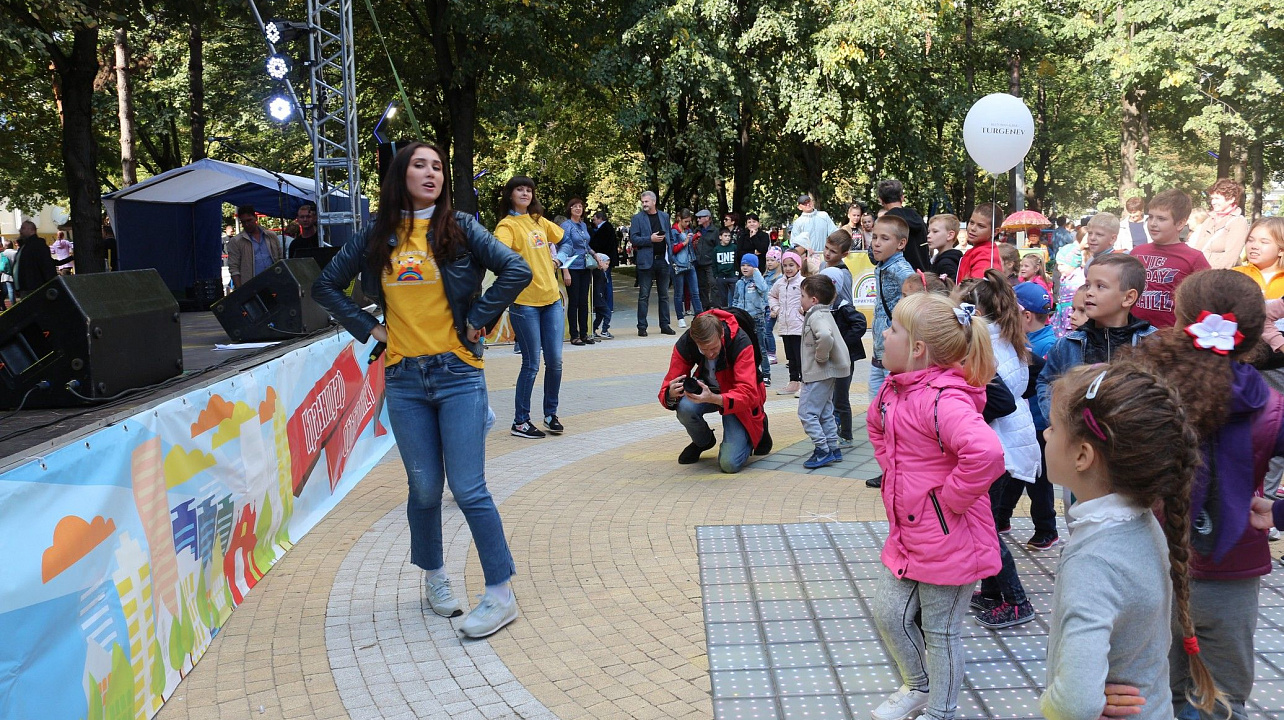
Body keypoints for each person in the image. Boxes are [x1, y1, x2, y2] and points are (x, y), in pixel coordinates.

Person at [311, 141, 531, 640]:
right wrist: (370, 330)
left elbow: (516, 269)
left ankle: (500, 595)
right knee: (425, 488)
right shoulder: (378, 234)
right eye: (419, 165)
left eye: (437, 166)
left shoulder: (462, 227)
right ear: (401, 175)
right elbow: (325, 286)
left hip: (458, 373)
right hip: (404, 378)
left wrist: (479, 317)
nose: (431, 173)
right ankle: (435, 577)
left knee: (468, 488)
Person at [1128, 270, 1277, 720]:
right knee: (1223, 700)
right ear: (1254, 334)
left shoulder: (1141, 392)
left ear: (1180, 321)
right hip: (1232, 571)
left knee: (1153, 695)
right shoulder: (1272, 407)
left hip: (1147, 560)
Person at [1041, 362, 1224, 720]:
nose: (1046, 435)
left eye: (1054, 428)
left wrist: (1054, 703)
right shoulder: (1141, 522)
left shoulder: (1094, 563)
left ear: (1082, 456)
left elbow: (1075, 705)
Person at [866, 291, 1005, 720]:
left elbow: (987, 453)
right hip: (909, 532)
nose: (884, 334)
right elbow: (876, 425)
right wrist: (893, 472)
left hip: (951, 537)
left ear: (917, 348)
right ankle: (918, 686)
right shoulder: (895, 388)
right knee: (889, 614)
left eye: (892, 329)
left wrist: (950, 499)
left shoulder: (946, 398)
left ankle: (941, 712)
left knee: (940, 632)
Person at [954, 271, 1041, 629]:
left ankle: (1018, 602)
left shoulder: (981, 343)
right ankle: (991, 591)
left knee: (984, 528)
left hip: (999, 446)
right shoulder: (1006, 336)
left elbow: (999, 400)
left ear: (974, 311)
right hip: (1011, 440)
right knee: (986, 521)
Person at [1038, 254, 1155, 419]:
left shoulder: (1152, 343)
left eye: (1100, 286)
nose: (1089, 293)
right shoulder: (1068, 344)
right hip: (1079, 431)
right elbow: (1046, 382)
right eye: (1088, 285)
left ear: (1128, 298)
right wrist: (1057, 420)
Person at [494, 176, 567, 439]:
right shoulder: (507, 225)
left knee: (555, 362)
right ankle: (520, 421)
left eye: (529, 190)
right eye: (519, 189)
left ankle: (550, 414)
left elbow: (563, 237)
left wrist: (557, 260)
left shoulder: (538, 221)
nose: (525, 193)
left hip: (552, 300)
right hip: (525, 304)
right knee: (532, 364)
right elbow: (496, 252)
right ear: (510, 194)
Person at [659, 309, 771, 473]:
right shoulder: (687, 342)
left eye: (713, 348)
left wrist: (714, 398)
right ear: (695, 340)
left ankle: (758, 428)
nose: (710, 354)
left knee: (729, 464)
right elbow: (670, 381)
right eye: (703, 350)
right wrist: (670, 394)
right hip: (708, 391)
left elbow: (747, 393)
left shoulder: (740, 341)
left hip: (737, 397)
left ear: (721, 335)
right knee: (684, 407)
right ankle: (703, 442)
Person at [993, 282, 1060, 551]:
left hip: (1039, 424)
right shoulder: (1020, 339)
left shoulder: (1046, 345)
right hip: (1021, 424)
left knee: (1039, 482)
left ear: (1026, 316)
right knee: (1012, 474)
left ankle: (1047, 529)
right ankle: (1001, 518)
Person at [1130, 189, 1211, 328]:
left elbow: (1206, 300)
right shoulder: (1136, 252)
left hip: (1170, 335)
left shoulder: (1194, 258)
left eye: (1161, 219)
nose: (1153, 223)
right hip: (1133, 332)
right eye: (1150, 217)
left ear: (1180, 223)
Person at [797, 275, 850, 468]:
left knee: (807, 412)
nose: (800, 299)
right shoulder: (823, 313)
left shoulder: (816, 316)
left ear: (813, 300)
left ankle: (822, 450)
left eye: (802, 296)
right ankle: (833, 447)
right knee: (825, 411)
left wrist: (821, 357)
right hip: (827, 373)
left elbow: (825, 336)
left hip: (817, 373)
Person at [629, 191, 676, 337]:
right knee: (644, 295)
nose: (644, 204)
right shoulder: (637, 218)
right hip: (646, 262)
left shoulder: (664, 216)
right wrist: (650, 239)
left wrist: (670, 253)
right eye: (643, 202)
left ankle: (665, 325)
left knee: (664, 295)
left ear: (654, 202)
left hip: (663, 260)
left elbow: (669, 236)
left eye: (646, 201)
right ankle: (642, 327)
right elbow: (634, 239)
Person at [557, 198, 596, 346]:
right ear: (570, 209)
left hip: (585, 266)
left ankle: (584, 333)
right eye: (575, 206)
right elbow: (562, 247)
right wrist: (565, 271)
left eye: (580, 206)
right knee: (574, 301)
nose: (578, 209)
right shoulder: (566, 226)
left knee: (584, 302)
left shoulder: (583, 225)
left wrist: (595, 255)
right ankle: (574, 335)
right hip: (572, 267)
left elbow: (586, 245)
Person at [1189, 178, 1250, 269]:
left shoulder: (1238, 222)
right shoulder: (1209, 220)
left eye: (1217, 198)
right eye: (1212, 198)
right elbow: (1196, 249)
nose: (1213, 202)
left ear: (1231, 199)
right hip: (1199, 272)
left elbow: (1230, 259)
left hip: (1221, 275)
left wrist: (1207, 271)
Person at [729, 253, 770, 384]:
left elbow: (763, 289)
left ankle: (766, 373)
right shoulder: (739, 283)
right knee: (745, 347)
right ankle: (751, 373)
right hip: (742, 319)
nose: (745, 268)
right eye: (743, 265)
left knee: (760, 347)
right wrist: (735, 312)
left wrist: (757, 273)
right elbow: (735, 299)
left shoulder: (758, 282)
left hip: (756, 318)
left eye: (749, 265)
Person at [768, 251, 805, 395]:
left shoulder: (803, 282)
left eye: (791, 265)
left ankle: (804, 384)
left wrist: (804, 309)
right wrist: (777, 309)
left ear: (798, 266)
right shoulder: (780, 283)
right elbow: (771, 295)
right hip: (785, 326)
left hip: (799, 326)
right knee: (790, 357)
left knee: (800, 356)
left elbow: (811, 297)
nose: (788, 268)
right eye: (785, 265)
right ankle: (793, 382)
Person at [878, 179, 929, 271]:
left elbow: (878, 254)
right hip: (923, 274)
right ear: (902, 198)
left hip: (899, 274)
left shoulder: (886, 221)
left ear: (881, 200)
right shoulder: (917, 217)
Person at [227, 205, 283, 288]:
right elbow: (234, 268)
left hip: (273, 282)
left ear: (255, 218)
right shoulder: (236, 241)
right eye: (243, 222)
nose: (247, 224)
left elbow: (280, 258)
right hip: (251, 286)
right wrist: (241, 290)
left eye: (249, 220)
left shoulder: (271, 236)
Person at [1232, 218, 1284, 298]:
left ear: (1281, 250)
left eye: (1264, 242)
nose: (1254, 246)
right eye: (1250, 240)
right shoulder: (1234, 275)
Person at [670, 209, 703, 329]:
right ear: (679, 219)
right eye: (686, 221)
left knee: (695, 291)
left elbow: (689, 248)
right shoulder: (674, 231)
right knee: (679, 293)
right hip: (678, 265)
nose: (688, 224)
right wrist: (685, 242)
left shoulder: (688, 230)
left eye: (689, 221)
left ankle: (699, 316)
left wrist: (693, 241)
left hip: (690, 263)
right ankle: (680, 317)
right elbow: (673, 249)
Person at [956, 202, 1005, 280]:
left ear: (995, 231)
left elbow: (977, 285)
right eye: (971, 222)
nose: (973, 228)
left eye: (981, 226)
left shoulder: (986, 255)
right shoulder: (976, 251)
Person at [589, 209, 617, 339]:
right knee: (606, 283)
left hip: (604, 257)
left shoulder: (605, 228)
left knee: (607, 283)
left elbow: (600, 244)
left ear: (600, 218)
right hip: (604, 260)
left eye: (595, 219)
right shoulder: (606, 228)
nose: (594, 221)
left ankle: (607, 306)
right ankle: (601, 329)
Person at [12, 220, 57, 299]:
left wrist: (50, 285)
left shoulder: (37, 245)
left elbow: (46, 265)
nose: (20, 231)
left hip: (33, 287)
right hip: (25, 287)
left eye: (23, 228)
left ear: (32, 230)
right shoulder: (24, 246)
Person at [691, 209, 718, 310]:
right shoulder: (697, 230)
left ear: (707, 218)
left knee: (713, 284)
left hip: (711, 263)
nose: (698, 219)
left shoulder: (715, 231)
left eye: (700, 217)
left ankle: (715, 306)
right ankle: (705, 307)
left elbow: (717, 247)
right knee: (701, 286)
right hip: (698, 263)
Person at [926, 213, 962, 281]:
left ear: (950, 235)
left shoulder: (946, 264)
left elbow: (951, 286)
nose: (928, 236)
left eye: (935, 231)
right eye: (929, 232)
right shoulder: (938, 259)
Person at [763, 247, 782, 365]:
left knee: (767, 330)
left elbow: (779, 295)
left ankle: (772, 353)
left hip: (772, 308)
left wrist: (775, 309)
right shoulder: (765, 275)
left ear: (778, 261)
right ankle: (766, 352)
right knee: (763, 330)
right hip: (764, 307)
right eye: (767, 260)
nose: (769, 263)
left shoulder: (779, 277)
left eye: (772, 260)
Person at [713, 227, 739, 308]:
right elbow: (714, 263)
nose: (728, 238)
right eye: (725, 236)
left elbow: (737, 261)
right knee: (723, 299)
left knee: (735, 297)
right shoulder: (716, 249)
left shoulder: (734, 247)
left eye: (729, 236)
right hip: (721, 277)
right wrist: (716, 275)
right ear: (720, 237)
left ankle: (735, 312)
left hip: (732, 276)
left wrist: (736, 273)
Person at [0, 238, 15, 307]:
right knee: (12, 290)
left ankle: (12, 305)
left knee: (8, 290)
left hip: (6, 274)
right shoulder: (16, 252)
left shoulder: (2, 254)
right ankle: (15, 305)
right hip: (15, 274)